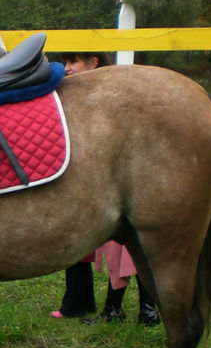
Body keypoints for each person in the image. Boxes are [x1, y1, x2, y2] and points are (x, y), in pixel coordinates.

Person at [49, 52, 160, 326]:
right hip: (107, 178)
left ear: (93, 62)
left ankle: (143, 309)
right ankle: (117, 308)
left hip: (121, 177)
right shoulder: (83, 93)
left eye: (73, 62)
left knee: (130, 240)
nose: (67, 68)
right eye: (66, 63)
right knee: (117, 244)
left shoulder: (112, 94)